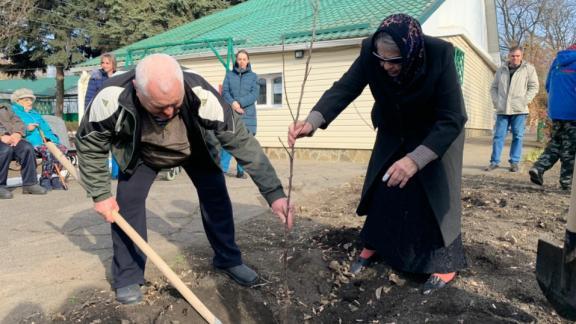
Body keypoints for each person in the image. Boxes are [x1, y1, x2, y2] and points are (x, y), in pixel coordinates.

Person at [76, 54, 293, 304]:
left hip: (193, 146)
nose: (168, 112)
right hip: (143, 153)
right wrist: (101, 194)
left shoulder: (199, 92)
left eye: (174, 104)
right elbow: (90, 143)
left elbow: (241, 141)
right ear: (137, 89)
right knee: (127, 205)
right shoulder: (111, 96)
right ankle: (128, 276)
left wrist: (274, 193)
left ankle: (228, 259)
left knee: (216, 194)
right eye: (159, 107)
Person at [288, 14, 467, 294]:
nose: (385, 66)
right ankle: (376, 245)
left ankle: (444, 263)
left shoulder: (439, 54)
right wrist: (312, 121)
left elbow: (453, 117)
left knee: (430, 195)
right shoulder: (371, 53)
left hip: (436, 132)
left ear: (410, 51)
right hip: (395, 127)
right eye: (381, 59)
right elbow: (345, 88)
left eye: (394, 60)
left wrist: (415, 160)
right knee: (385, 186)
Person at [529, 44, 576, 191]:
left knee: (556, 143)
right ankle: (566, 182)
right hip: (572, 111)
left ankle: (539, 167)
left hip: (555, 110)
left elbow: (548, 85)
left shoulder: (557, 61)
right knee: (570, 147)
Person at [486, 46, 539, 172]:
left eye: (517, 56)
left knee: (518, 136)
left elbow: (534, 87)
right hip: (502, 109)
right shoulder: (501, 70)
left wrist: (524, 101)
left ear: (522, 56)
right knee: (498, 136)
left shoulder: (528, 69)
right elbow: (494, 87)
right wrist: (496, 101)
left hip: (519, 110)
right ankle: (494, 162)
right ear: (509, 56)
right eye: (513, 56)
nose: (515, 58)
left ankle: (514, 162)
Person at [11, 88, 68, 191]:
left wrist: (53, 140)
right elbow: (13, 129)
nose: (30, 102)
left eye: (31, 100)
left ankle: (54, 176)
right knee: (47, 151)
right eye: (26, 100)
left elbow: (46, 128)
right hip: (29, 141)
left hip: (44, 140)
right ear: (18, 101)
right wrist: (27, 129)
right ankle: (45, 178)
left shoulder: (35, 113)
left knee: (62, 149)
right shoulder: (14, 112)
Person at [220, 49, 259, 179]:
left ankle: (241, 171)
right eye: (239, 59)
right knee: (228, 141)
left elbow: (254, 94)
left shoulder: (254, 77)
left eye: (244, 59)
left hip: (248, 114)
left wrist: (240, 103)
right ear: (236, 61)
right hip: (231, 112)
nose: (242, 61)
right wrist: (234, 104)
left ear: (248, 61)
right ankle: (222, 169)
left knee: (244, 143)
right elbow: (225, 92)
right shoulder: (229, 75)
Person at [84, 52, 120, 179]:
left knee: (116, 144)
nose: (104, 65)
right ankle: (102, 173)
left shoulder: (120, 76)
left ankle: (116, 173)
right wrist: (87, 114)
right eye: (102, 62)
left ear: (113, 64)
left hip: (116, 114)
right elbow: (89, 97)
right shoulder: (96, 77)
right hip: (100, 113)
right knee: (102, 144)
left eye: (107, 63)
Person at [0, 103, 47, 199]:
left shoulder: (5, 107)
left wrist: (17, 133)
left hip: (11, 138)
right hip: (2, 140)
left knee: (27, 148)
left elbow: (18, 122)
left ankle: (30, 184)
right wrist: (1, 136)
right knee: (5, 150)